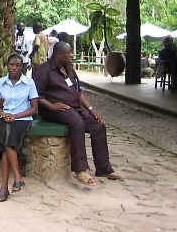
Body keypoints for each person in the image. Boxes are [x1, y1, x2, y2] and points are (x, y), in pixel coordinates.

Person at [32, 41, 124, 185]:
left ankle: (103, 168)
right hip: (54, 109)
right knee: (77, 123)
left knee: (98, 126)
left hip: (75, 108)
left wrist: (91, 109)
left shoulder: (69, 69)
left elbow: (78, 92)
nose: (71, 55)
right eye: (68, 53)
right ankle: (80, 170)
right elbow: (36, 95)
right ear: (59, 54)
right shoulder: (42, 71)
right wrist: (52, 106)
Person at [0, 54, 39, 202]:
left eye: (18, 65)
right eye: (11, 65)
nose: (14, 68)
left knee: (6, 138)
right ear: (7, 66)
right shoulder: (1, 82)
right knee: (7, 129)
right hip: (5, 118)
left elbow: (34, 108)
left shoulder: (29, 82)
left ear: (22, 67)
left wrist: (16, 116)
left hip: (23, 119)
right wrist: (4, 114)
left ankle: (4, 188)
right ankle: (17, 177)